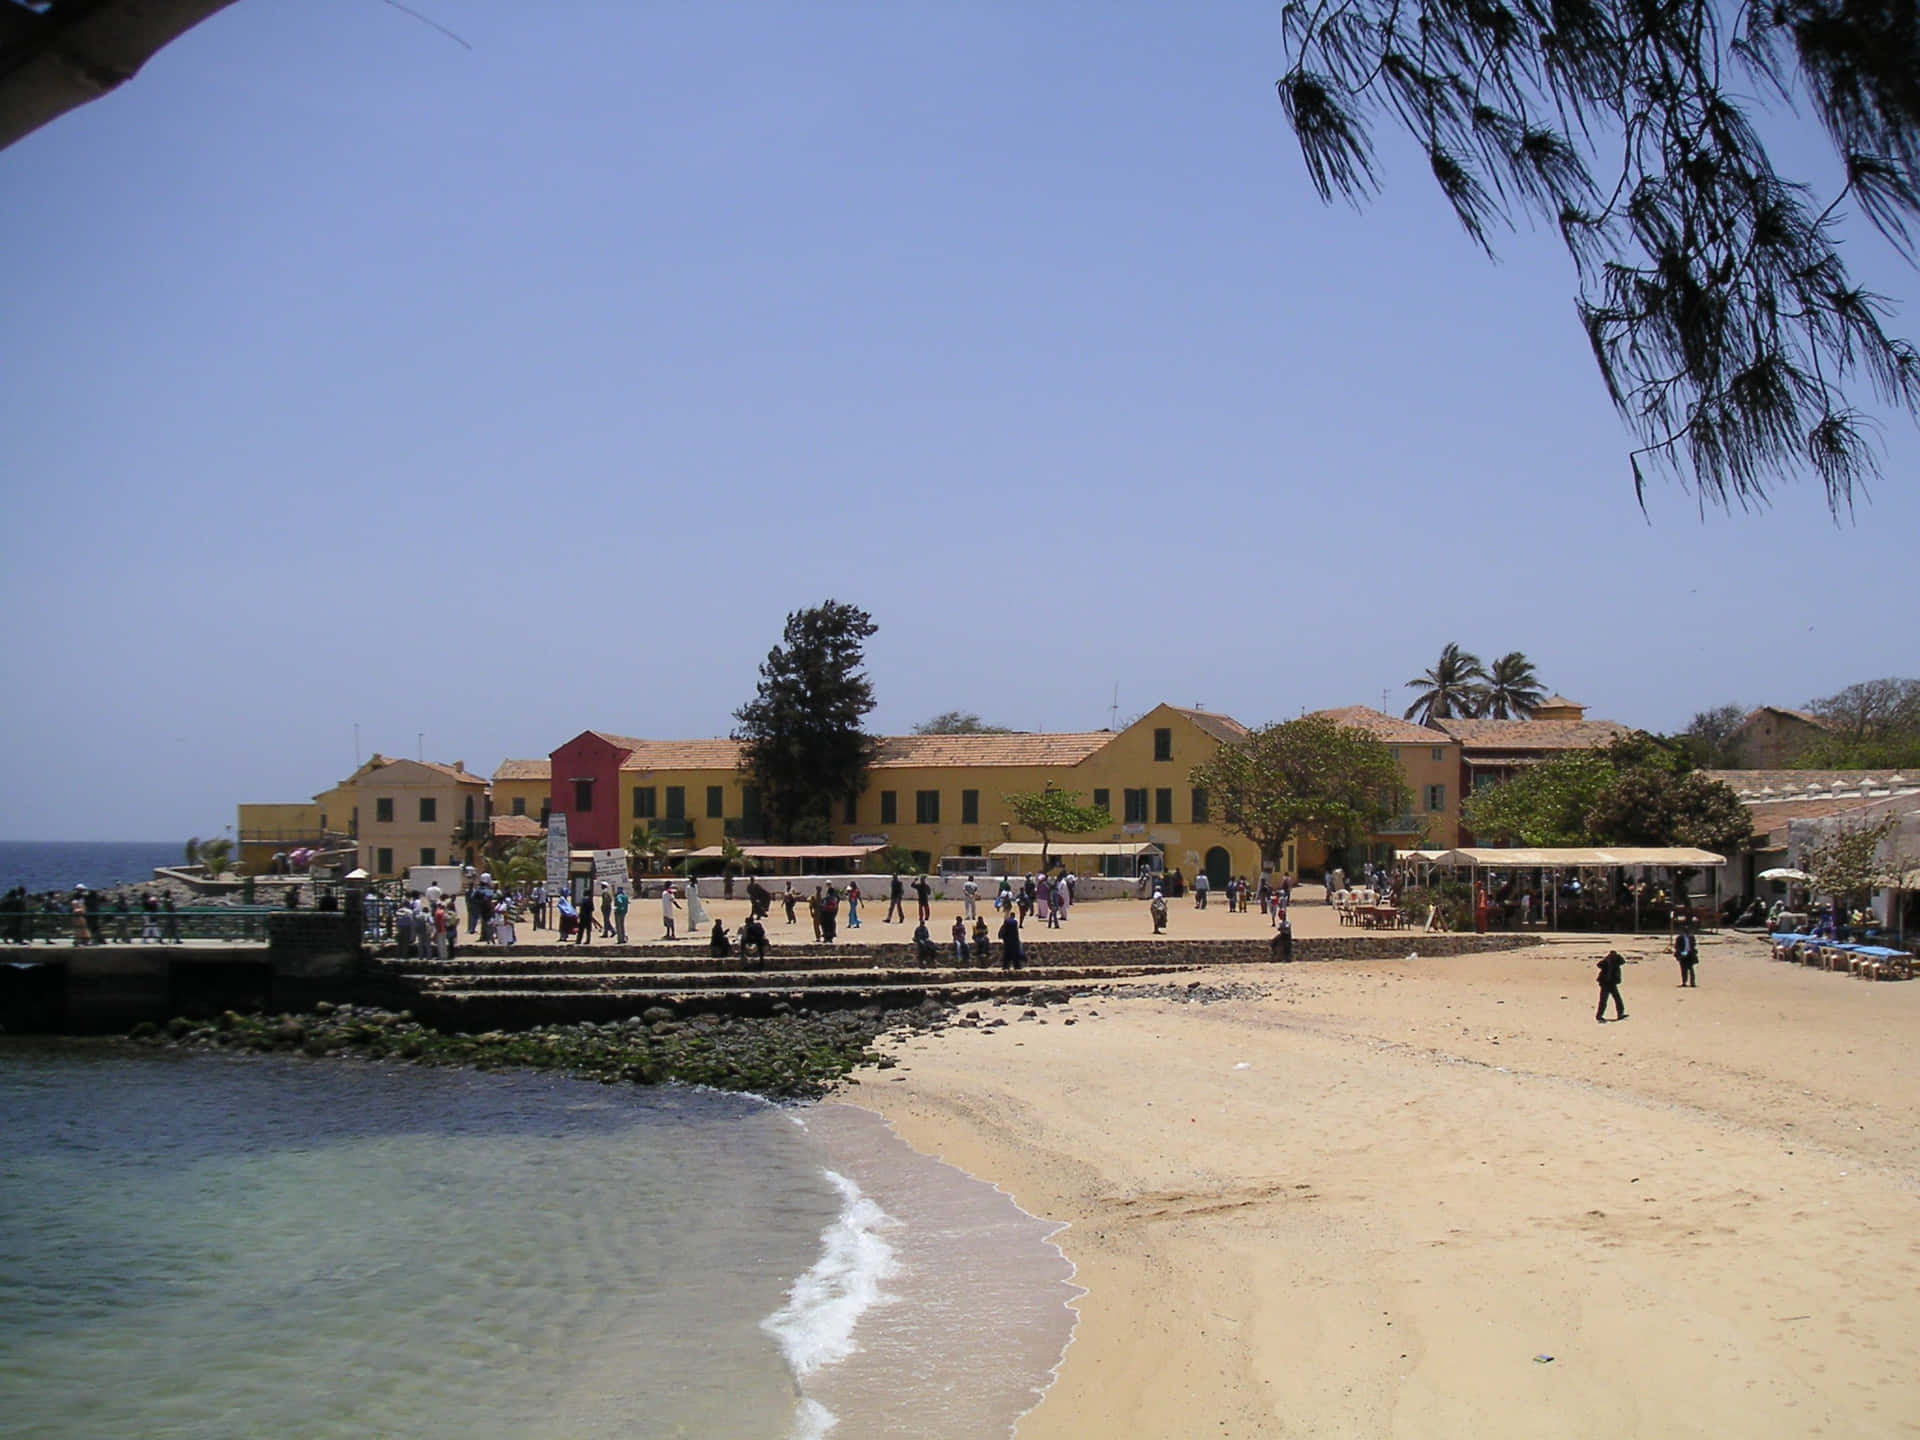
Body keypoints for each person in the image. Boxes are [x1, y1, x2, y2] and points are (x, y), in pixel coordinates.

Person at [1596, 949, 1628, 1022]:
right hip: (1605, 983)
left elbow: (1622, 961)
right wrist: (1606, 959)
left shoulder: (1616, 962)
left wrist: (1617, 957)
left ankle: (1620, 1014)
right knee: (1604, 1000)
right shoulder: (1606, 962)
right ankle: (1599, 1016)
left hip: (1611, 983)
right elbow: (1599, 965)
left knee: (1617, 999)